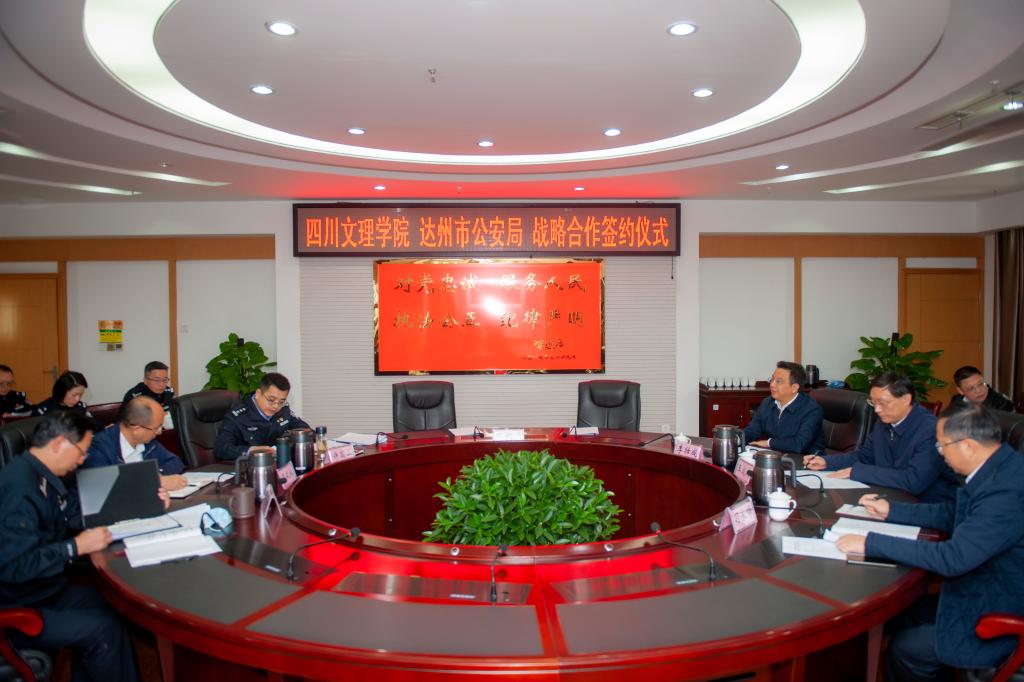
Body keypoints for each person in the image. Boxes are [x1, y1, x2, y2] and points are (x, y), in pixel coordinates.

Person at [836, 405, 1024, 681]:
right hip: (981, 585)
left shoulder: (1005, 493)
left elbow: (953, 558)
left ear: (968, 446)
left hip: (997, 606)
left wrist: (870, 543)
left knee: (907, 650)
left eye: (942, 445)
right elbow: (952, 513)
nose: (940, 453)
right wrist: (892, 510)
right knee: (899, 613)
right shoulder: (998, 468)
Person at [0, 410, 169, 682]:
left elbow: (77, 516)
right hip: (21, 603)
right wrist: (75, 547)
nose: (82, 460)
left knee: (116, 604)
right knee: (104, 630)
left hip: (47, 589)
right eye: (81, 452)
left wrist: (147, 502)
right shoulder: (19, 488)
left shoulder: (43, 475)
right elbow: (15, 566)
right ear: (59, 444)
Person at [803, 372, 956, 503]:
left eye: (882, 403)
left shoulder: (931, 430)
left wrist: (857, 472)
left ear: (906, 399)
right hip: (889, 495)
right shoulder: (885, 420)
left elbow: (913, 480)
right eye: (873, 403)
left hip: (925, 505)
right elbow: (865, 455)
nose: (877, 409)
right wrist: (827, 462)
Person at [84, 396, 187, 491]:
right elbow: (103, 488)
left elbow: (175, 462)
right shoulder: (99, 448)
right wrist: (153, 481)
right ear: (137, 429)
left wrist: (157, 474)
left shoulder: (148, 443)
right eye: (156, 428)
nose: (159, 432)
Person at [214, 372, 309, 462]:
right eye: (271, 400)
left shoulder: (283, 411)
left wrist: (289, 440)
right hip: (248, 467)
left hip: (276, 465)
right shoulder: (237, 417)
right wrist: (251, 450)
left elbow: (307, 431)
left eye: (281, 402)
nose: (276, 406)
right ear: (258, 394)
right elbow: (221, 449)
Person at [743, 361, 825, 454]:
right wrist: (736, 439)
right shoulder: (768, 403)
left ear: (794, 388)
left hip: (806, 459)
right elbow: (752, 430)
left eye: (778, 381)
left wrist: (769, 443)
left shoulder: (812, 410)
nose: (772, 384)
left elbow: (799, 444)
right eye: (772, 379)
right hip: (776, 456)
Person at [948, 365, 1015, 413]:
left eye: (980, 384)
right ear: (960, 391)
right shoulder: (956, 400)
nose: (978, 391)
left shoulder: (1002, 403)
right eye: (971, 388)